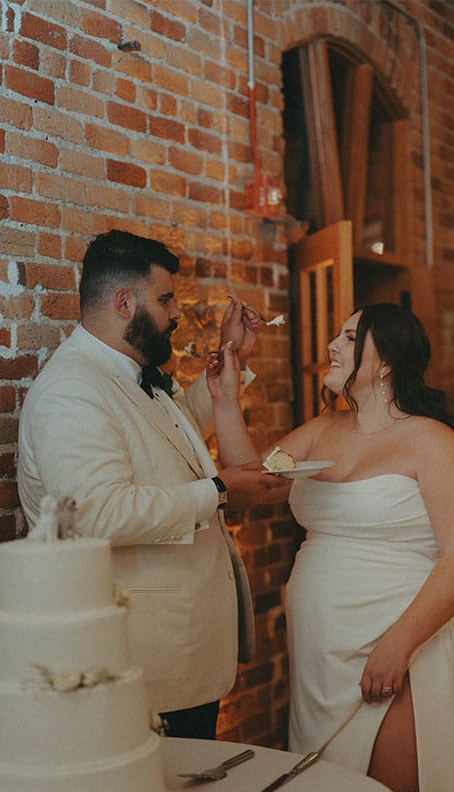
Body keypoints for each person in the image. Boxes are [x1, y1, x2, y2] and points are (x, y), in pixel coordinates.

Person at [206, 302, 454, 792]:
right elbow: (249, 485)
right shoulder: (322, 429)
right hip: (322, 656)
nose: (332, 343)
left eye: (350, 336)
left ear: (386, 362)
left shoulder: (432, 441)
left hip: (402, 644)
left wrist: (396, 647)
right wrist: (225, 396)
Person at [17, 229, 288, 741]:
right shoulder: (72, 390)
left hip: (181, 656)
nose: (176, 314)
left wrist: (234, 360)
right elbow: (96, 511)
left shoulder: (133, 375)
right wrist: (221, 492)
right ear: (124, 302)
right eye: (165, 300)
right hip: (138, 660)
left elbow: (174, 443)